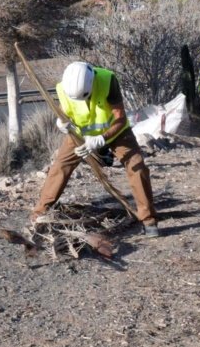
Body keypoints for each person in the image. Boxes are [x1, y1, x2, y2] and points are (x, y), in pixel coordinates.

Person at [32, 61, 160, 237]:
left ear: (91, 83)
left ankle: (148, 220)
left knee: (136, 165)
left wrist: (101, 139)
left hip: (115, 132)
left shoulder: (107, 80)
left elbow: (120, 118)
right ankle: (39, 215)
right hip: (80, 135)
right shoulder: (64, 87)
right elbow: (65, 110)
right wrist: (61, 122)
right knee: (60, 167)